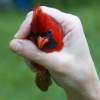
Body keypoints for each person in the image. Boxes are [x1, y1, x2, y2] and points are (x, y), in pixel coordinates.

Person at [9, 6, 100, 100]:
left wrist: (89, 88)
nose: (41, 40)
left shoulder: (63, 39)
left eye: (47, 34)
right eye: (36, 36)